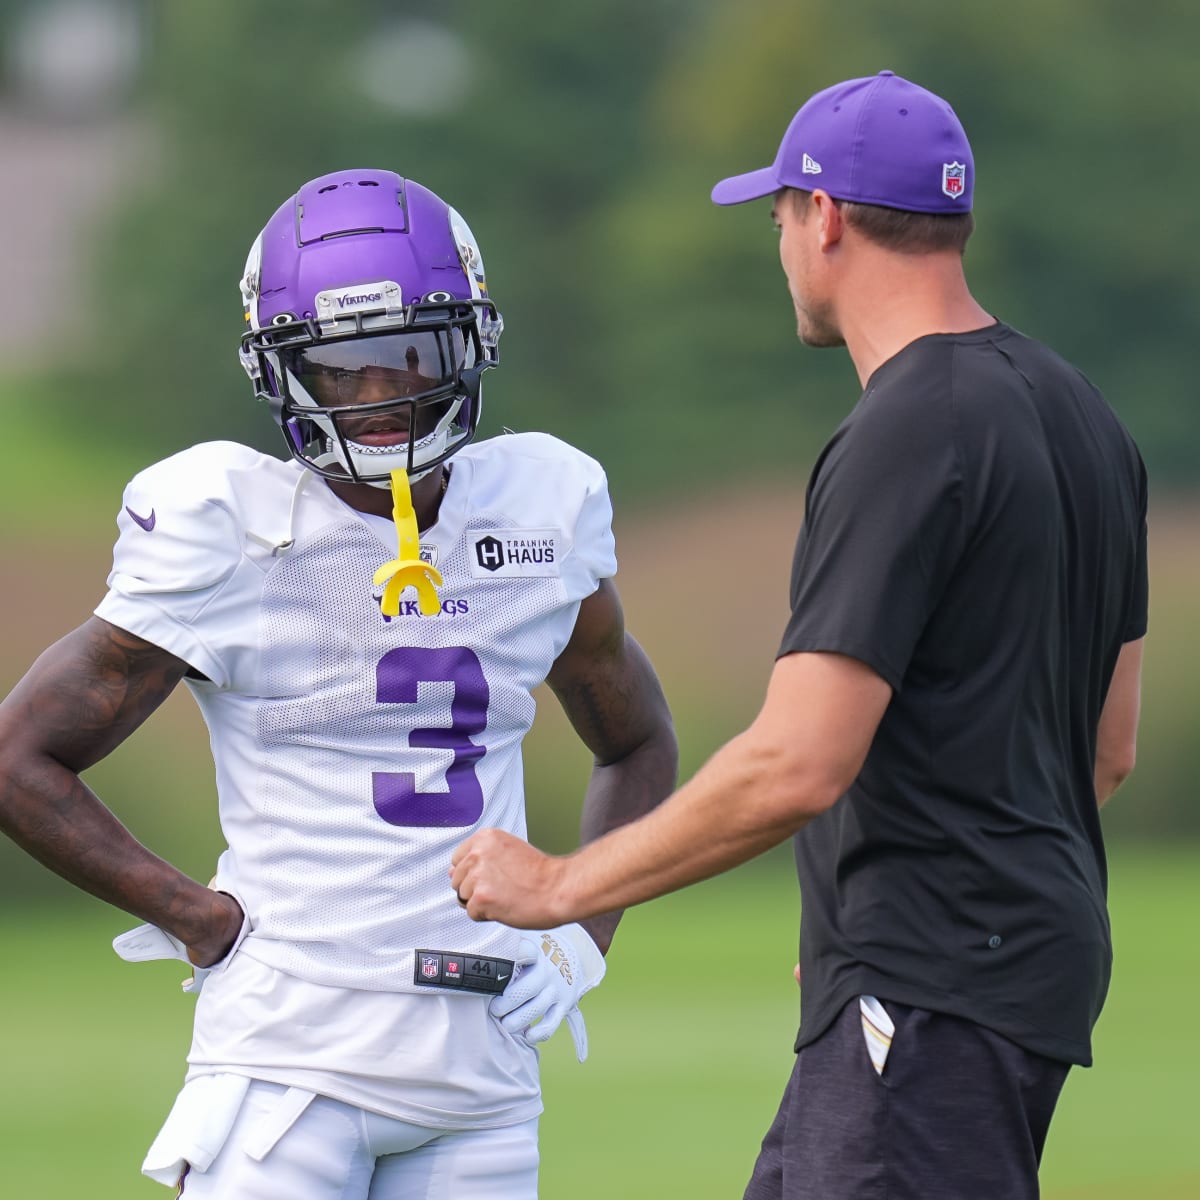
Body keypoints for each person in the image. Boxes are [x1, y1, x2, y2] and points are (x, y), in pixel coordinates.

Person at [450, 71, 1148, 1199]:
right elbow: (1103, 750)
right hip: (1015, 970)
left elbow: (797, 762)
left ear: (821, 217)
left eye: (776, 216)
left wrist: (562, 885)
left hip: (927, 993)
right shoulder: (1085, 416)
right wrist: (870, 922)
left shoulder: (904, 429)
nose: (780, 245)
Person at [0, 168, 677, 1197]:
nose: (378, 394)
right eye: (337, 367)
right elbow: (19, 758)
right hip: (288, 1066)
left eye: (407, 353)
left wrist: (584, 930)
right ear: (280, 372)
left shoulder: (538, 512)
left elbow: (637, 740)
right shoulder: (234, 528)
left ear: (470, 342)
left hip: (481, 1077)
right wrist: (200, 919)